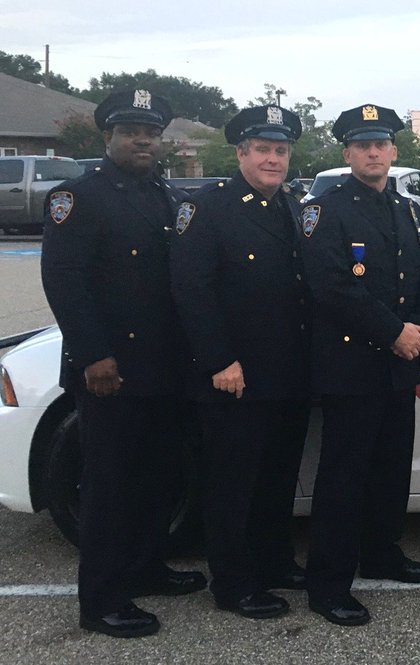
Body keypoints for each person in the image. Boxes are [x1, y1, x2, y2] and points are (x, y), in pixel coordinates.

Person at [40, 90, 206, 639]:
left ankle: (146, 567)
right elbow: (64, 281)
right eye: (131, 131)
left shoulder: (167, 195)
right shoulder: (78, 197)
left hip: (163, 367)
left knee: (157, 477)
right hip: (110, 371)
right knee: (110, 486)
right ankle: (102, 601)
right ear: (107, 137)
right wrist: (94, 354)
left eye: (151, 133)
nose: (142, 141)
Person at [299, 104, 420, 626]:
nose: (373, 153)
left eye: (381, 144)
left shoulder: (408, 210)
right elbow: (331, 286)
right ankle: (328, 584)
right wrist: (394, 333)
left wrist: (417, 330)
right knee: (344, 477)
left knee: (390, 469)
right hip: (350, 366)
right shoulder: (325, 210)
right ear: (347, 154)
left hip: (399, 365)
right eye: (362, 145)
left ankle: (381, 553)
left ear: (394, 150)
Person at [170, 105, 310, 620]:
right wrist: (219, 359)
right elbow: (192, 290)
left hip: (287, 371)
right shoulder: (208, 208)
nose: (273, 159)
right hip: (236, 375)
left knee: (277, 475)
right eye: (263, 150)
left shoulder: (291, 206)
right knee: (233, 484)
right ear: (241, 154)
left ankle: (274, 561)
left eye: (281, 150)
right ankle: (232, 583)